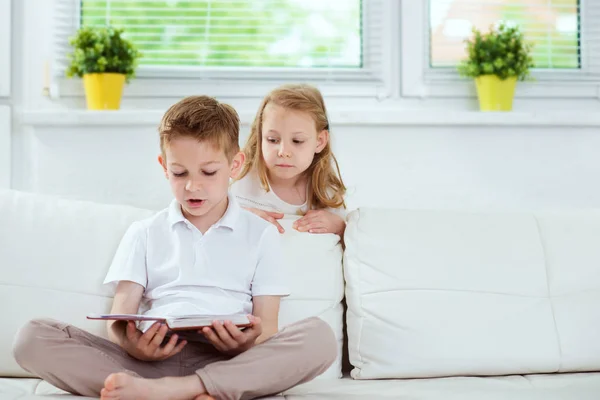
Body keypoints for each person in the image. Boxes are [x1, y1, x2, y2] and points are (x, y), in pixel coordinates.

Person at [12, 95, 337, 400]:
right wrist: (136, 346)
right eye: (179, 173)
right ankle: (183, 390)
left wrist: (242, 346)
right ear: (164, 166)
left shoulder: (261, 234)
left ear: (235, 165)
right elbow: (118, 320)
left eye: (209, 172)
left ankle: (178, 389)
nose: (193, 186)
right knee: (32, 337)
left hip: (228, 364)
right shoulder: (144, 232)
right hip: (150, 363)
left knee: (319, 339)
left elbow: (268, 326)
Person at [230, 84, 347, 236]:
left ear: (319, 141)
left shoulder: (327, 193)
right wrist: (239, 217)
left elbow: (352, 248)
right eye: (272, 140)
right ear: (260, 136)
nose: (283, 152)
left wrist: (339, 227)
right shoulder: (239, 179)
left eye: (297, 141)